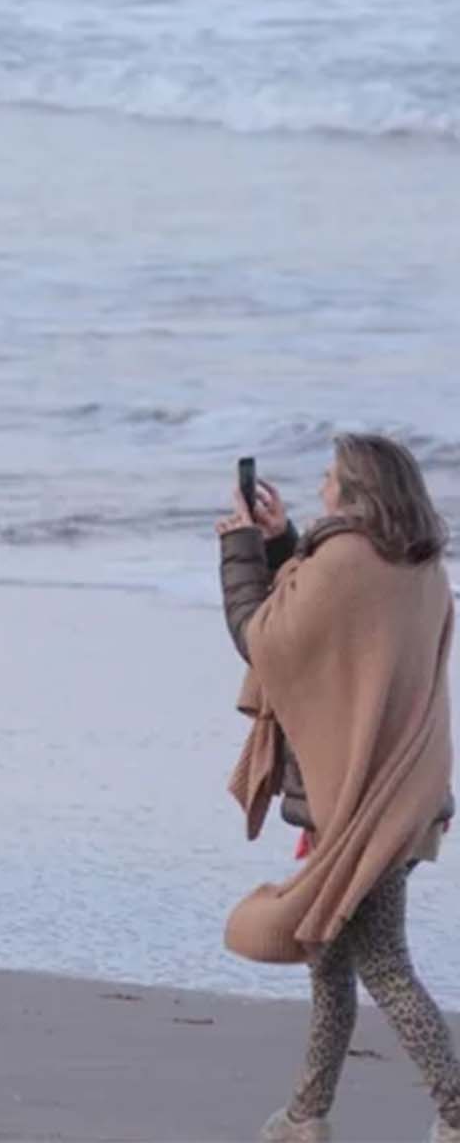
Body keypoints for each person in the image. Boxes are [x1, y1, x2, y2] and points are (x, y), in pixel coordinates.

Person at [215, 435, 458, 1143]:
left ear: (355, 491)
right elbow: (323, 626)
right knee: (328, 960)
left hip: (362, 805)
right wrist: (282, 540)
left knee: (379, 962)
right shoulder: (416, 564)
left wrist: (238, 549)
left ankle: (455, 1109)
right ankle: (305, 1115)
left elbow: (266, 639)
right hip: (404, 792)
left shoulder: (346, 561)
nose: (321, 486)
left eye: (329, 477)